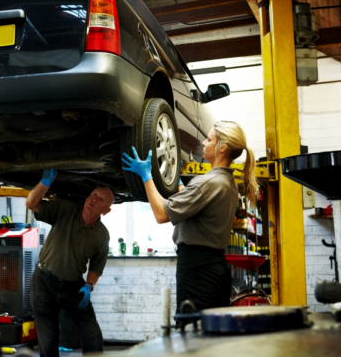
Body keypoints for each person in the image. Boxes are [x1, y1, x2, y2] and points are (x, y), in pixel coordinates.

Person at [122, 121, 258, 310]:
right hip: (215, 267)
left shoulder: (208, 182)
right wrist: (179, 186)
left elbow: (161, 215)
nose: (203, 142)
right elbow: (197, 203)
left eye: (209, 139)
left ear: (222, 148)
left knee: (191, 328)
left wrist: (146, 176)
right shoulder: (227, 182)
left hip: (197, 268)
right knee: (210, 330)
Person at [25, 168, 114, 357]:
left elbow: (97, 266)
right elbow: (31, 204)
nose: (94, 199)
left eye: (100, 199)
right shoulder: (65, 209)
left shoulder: (102, 235)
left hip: (73, 288)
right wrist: (45, 183)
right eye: (93, 194)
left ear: (106, 211)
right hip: (44, 283)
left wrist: (89, 286)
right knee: (49, 340)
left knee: (93, 335)